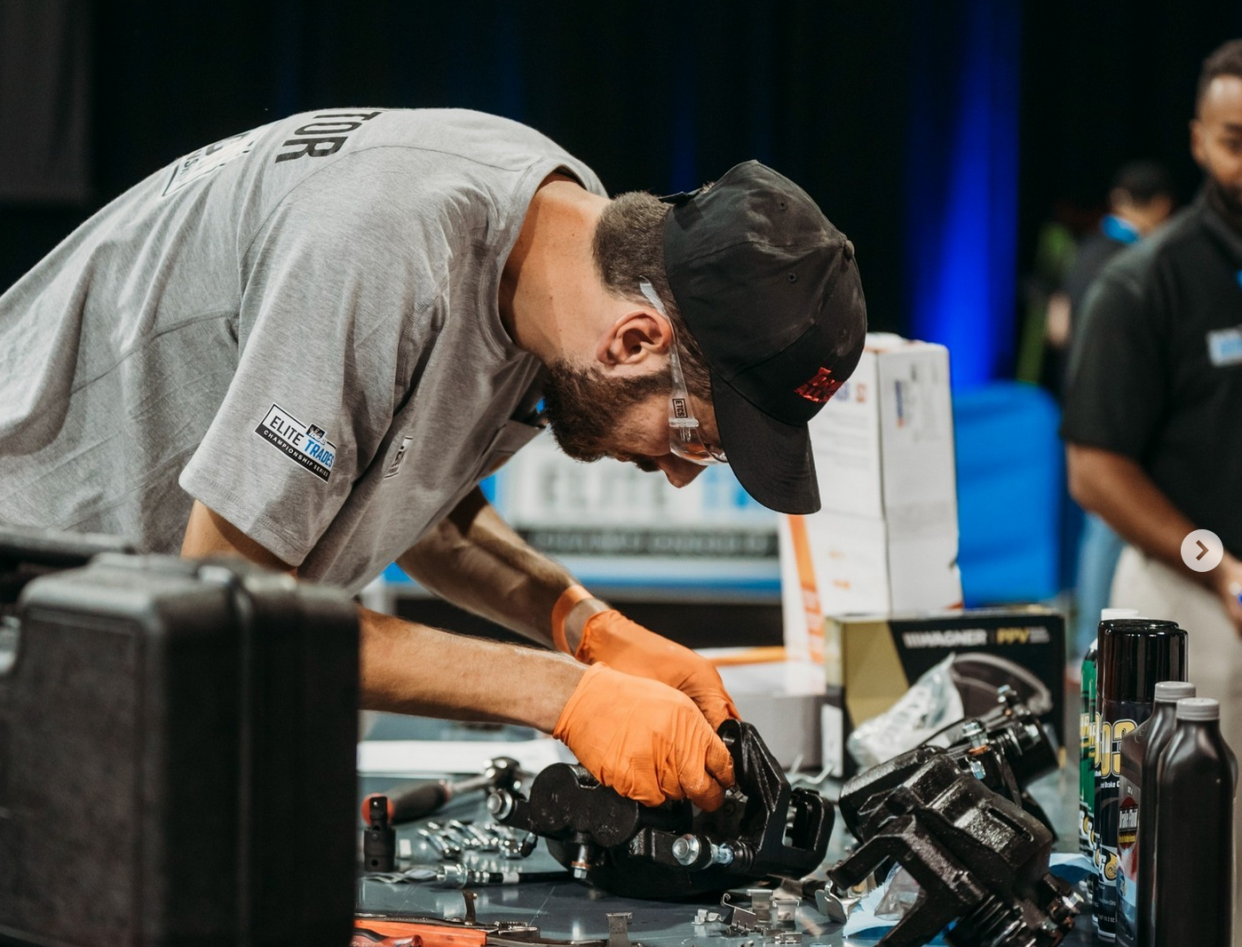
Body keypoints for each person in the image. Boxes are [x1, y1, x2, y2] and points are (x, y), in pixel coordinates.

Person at [0, 108, 866, 812]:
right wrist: (563, 697)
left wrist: (587, 628)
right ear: (637, 340)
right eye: (698, 440)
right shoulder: (375, 252)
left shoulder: (560, 236)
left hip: (107, 632)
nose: (679, 473)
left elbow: (408, 497)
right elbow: (233, 615)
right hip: (26, 590)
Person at [1062, 42, 1242, 758]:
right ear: (1199, 142)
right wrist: (1218, 564)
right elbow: (1095, 470)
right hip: (1188, 598)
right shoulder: (1144, 285)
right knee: (1198, 859)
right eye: (1235, 143)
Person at [1052, 161, 1175, 661]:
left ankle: (1091, 641)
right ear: (1162, 207)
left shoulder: (1082, 253)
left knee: (1097, 527)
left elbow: (1058, 328)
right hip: (1120, 415)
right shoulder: (1139, 263)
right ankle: (1097, 647)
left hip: (1077, 406)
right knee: (1113, 525)